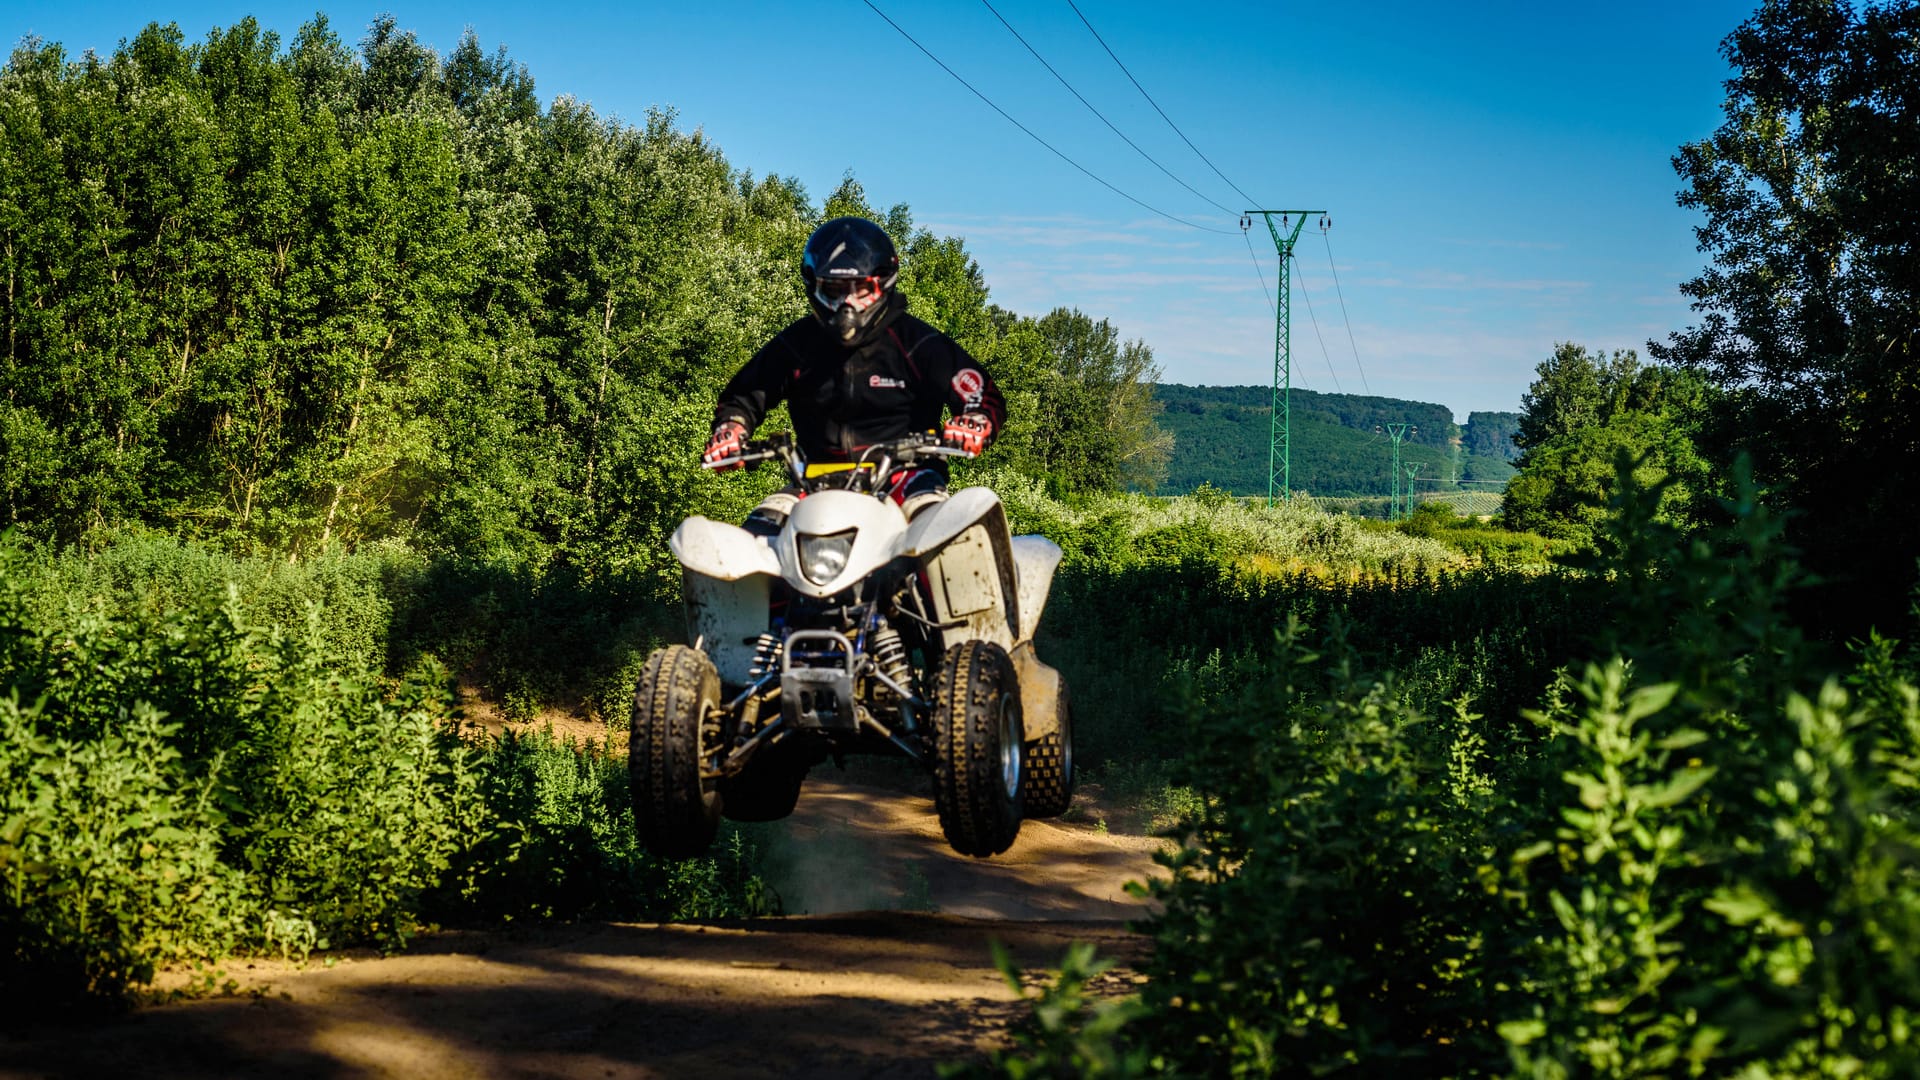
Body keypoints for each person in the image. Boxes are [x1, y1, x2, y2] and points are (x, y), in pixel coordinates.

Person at [703, 216, 1006, 535]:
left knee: (950, 535)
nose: (847, 304)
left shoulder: (918, 343)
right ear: (814, 286)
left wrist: (975, 422)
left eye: (861, 289)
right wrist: (731, 431)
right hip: (812, 484)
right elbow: (744, 396)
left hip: (907, 478)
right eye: (834, 290)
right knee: (750, 543)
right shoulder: (795, 346)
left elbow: (980, 394)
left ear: (883, 284)